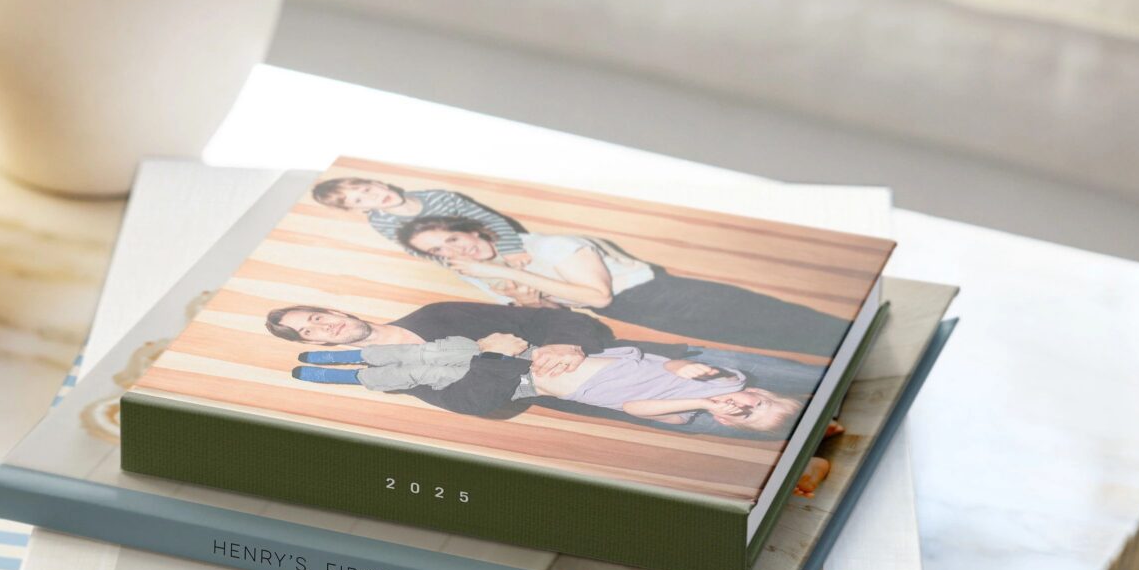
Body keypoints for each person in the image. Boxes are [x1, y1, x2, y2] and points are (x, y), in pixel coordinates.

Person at [267, 304, 803, 433]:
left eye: (317, 317)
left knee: (819, 390)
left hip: (676, 364)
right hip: (634, 396)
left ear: (334, 309)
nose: (322, 328)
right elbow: (478, 405)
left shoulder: (436, 316)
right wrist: (487, 352)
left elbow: (551, 318)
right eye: (307, 333)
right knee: (781, 433)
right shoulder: (395, 371)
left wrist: (567, 343)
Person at [393, 218, 847, 362]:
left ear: (466, 228)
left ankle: (855, 344)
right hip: (648, 313)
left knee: (790, 323)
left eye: (452, 237)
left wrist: (523, 279)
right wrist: (530, 303)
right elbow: (561, 305)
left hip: (667, 295)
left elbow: (598, 297)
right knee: (770, 339)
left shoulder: (548, 246)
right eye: (440, 250)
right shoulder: (490, 273)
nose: (456, 249)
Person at [310, 174, 524, 252]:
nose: (372, 197)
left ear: (378, 182)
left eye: (367, 189)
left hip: (500, 236)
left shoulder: (438, 197)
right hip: (464, 256)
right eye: (359, 200)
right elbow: (419, 251)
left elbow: (489, 219)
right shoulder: (382, 222)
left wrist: (510, 249)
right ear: (360, 209)